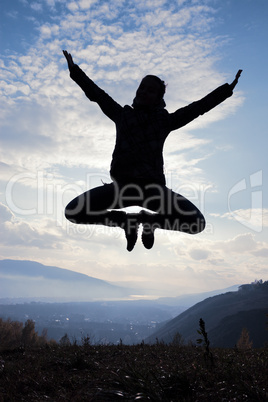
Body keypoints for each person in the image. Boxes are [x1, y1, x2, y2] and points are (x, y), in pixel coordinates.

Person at [63, 50, 242, 251]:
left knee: (197, 223)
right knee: (73, 212)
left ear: (158, 98)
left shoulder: (165, 121)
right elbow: (97, 94)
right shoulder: (122, 115)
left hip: (153, 192)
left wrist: (227, 89)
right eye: (142, 87)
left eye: (150, 90)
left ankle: (151, 222)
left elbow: (197, 108)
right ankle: (124, 221)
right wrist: (74, 70)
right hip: (121, 189)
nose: (144, 92)